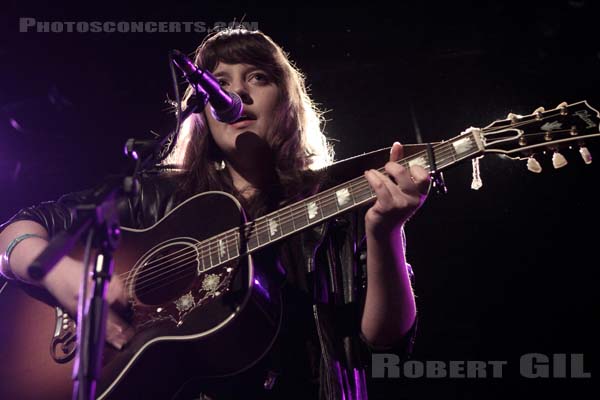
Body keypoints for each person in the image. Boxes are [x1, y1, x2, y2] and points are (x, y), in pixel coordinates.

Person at [0, 28, 429, 399]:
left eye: (257, 78)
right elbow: (12, 235)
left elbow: (384, 341)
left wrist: (385, 231)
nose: (236, 93)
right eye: (218, 82)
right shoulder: (157, 195)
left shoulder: (338, 198)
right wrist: (62, 278)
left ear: (287, 101)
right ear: (202, 111)